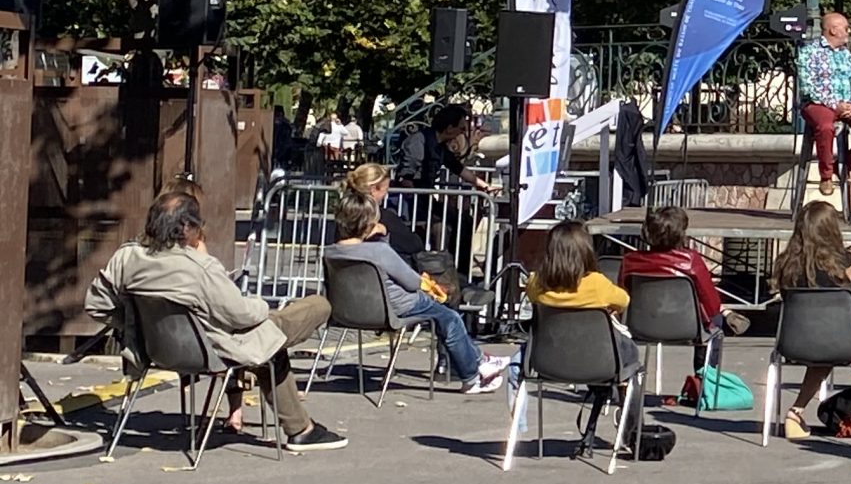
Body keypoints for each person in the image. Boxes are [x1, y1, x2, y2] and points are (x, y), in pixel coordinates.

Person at [85, 190, 346, 452]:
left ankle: (302, 428)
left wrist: (135, 325)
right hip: (214, 349)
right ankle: (301, 430)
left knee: (271, 343)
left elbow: (97, 305)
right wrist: (263, 305)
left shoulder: (126, 257)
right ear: (187, 227)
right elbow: (241, 314)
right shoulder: (199, 268)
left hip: (153, 351)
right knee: (316, 306)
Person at [322, 189, 510, 393]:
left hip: (346, 311)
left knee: (443, 315)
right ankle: (471, 377)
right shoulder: (379, 251)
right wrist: (384, 239)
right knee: (450, 317)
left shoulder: (330, 251)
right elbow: (412, 282)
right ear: (369, 223)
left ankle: (479, 361)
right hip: (396, 307)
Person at [525, 218, 645, 452]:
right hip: (598, 360)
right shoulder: (598, 284)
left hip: (547, 362)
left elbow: (532, 296)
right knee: (631, 360)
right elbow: (624, 301)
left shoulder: (537, 282)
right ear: (586, 252)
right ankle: (631, 429)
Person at [771, 201, 851, 440]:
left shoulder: (785, 263)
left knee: (823, 351)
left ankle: (796, 412)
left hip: (794, 339)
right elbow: (846, 299)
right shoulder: (843, 260)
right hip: (837, 339)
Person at [620, 203, 730, 375]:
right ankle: (703, 381)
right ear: (681, 234)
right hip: (687, 327)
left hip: (641, 326)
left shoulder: (630, 261)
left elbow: (622, 297)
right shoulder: (691, 260)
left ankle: (624, 384)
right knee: (716, 322)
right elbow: (712, 305)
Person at [797, 11, 851, 203]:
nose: (849, 31)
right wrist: (835, 105)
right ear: (832, 30)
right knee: (826, 127)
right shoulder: (808, 53)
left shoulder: (846, 55)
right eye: (845, 28)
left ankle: (846, 164)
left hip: (847, 105)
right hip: (819, 103)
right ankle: (826, 176)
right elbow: (808, 86)